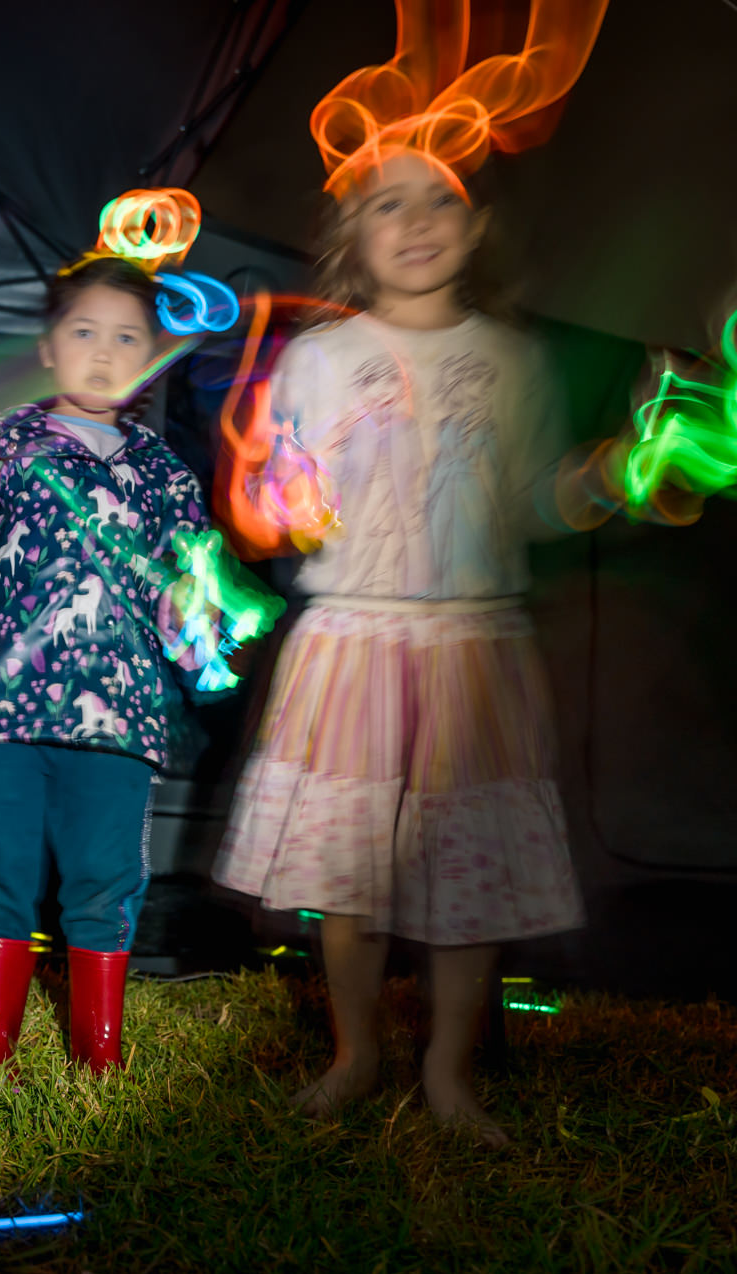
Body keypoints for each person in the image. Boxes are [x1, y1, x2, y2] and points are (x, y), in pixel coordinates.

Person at [213, 152, 584, 1144]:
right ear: (351, 235)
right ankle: (356, 1052)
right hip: (352, 638)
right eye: (388, 204)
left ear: (476, 229)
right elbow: (275, 495)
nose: (416, 222)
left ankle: (448, 1071)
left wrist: (614, 479)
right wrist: (280, 504)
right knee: (348, 873)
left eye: (440, 203)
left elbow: (535, 501)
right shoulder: (318, 357)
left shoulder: (515, 359)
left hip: (473, 644)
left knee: (469, 871)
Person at [0, 253, 216, 1074]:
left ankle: (100, 1057)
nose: (104, 351)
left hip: (117, 718)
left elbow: (187, 593)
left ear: (151, 359)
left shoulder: (165, 473)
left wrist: (196, 612)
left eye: (127, 338)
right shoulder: (3, 445)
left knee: (106, 878)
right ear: (48, 347)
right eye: (84, 332)